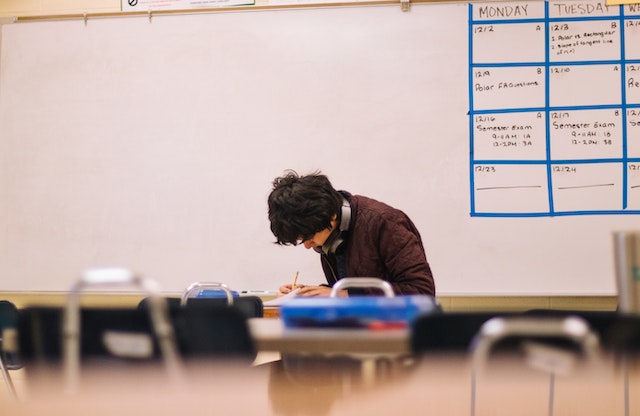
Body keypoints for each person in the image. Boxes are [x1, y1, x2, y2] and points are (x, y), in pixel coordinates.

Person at [267, 170, 435, 297]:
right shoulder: (332, 234)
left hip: (397, 335)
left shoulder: (385, 222)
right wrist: (309, 294)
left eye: (309, 238)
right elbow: (351, 287)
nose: (307, 246)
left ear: (331, 216)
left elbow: (422, 291)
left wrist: (342, 295)